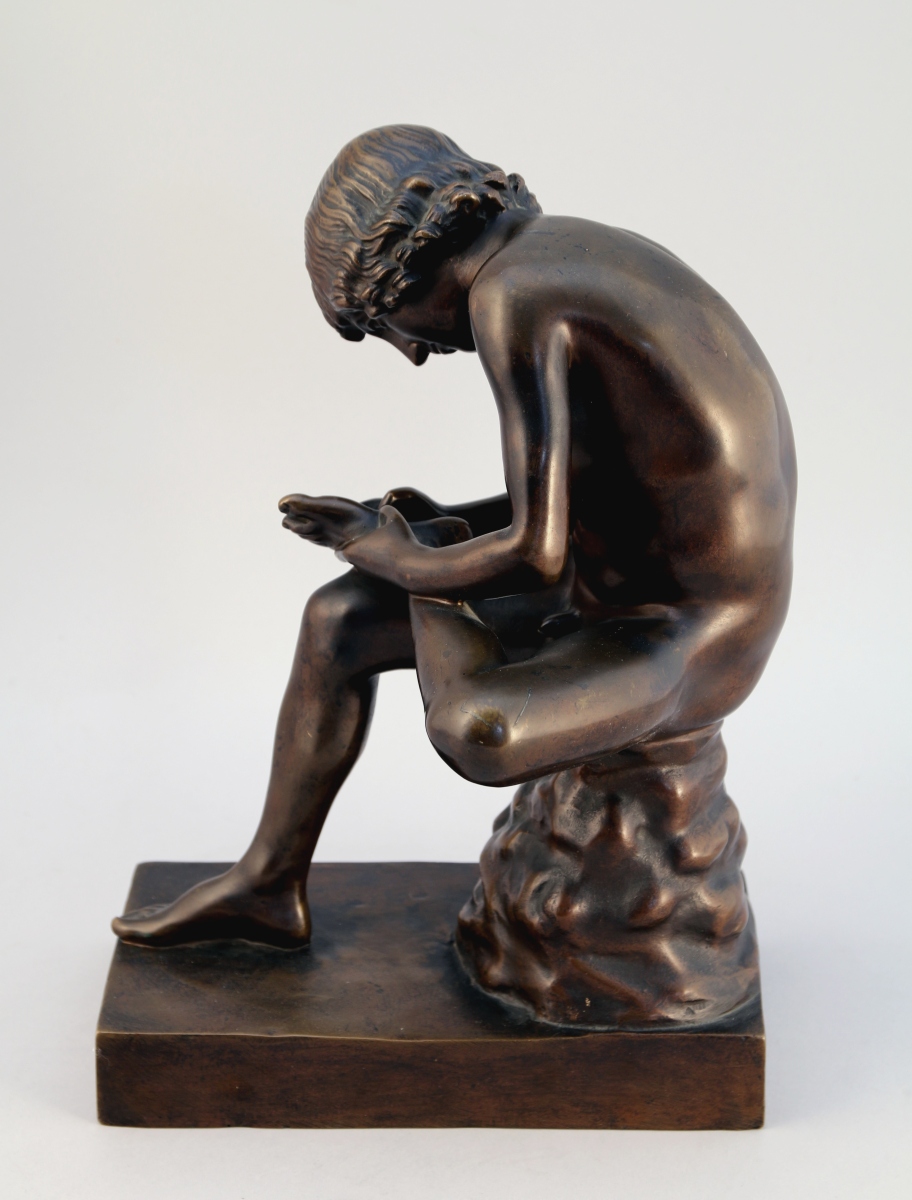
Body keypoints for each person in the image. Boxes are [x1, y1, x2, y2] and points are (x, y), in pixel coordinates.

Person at [113, 125, 795, 962]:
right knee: (339, 622)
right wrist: (431, 534)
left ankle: (423, 560)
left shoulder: (512, 294)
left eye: (382, 320)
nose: (409, 351)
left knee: (477, 730)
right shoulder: (565, 252)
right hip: (622, 585)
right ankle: (266, 885)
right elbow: (607, 498)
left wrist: (400, 554)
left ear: (408, 262)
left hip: (690, 633)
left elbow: (536, 554)